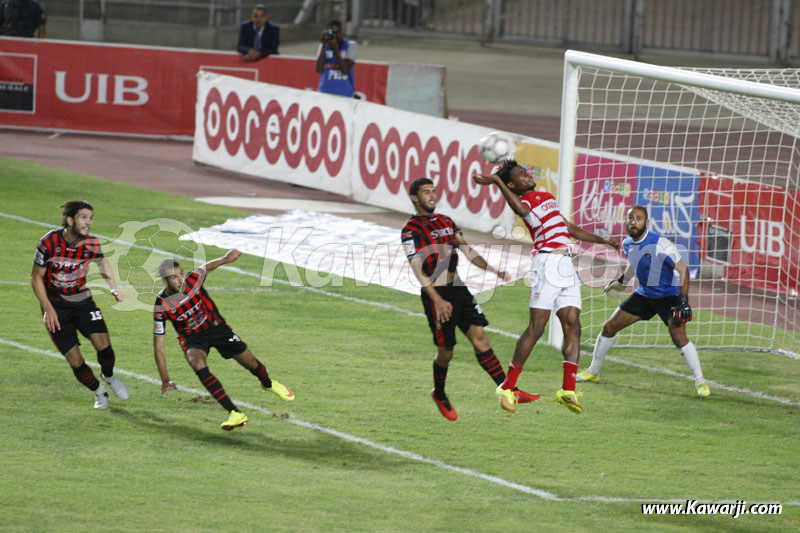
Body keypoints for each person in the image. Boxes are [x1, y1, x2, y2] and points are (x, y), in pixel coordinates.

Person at [473, 160, 620, 415]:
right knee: (537, 327)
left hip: (565, 263)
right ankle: (507, 387)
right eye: (521, 175)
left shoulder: (545, 198)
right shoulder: (525, 202)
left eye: (526, 172)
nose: (528, 175)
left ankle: (567, 390)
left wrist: (603, 241)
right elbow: (518, 209)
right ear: (512, 185)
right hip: (547, 262)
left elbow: (569, 228)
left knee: (573, 323)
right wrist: (497, 182)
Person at [402, 177, 541, 421]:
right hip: (437, 293)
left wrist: (493, 269)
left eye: (434, 191)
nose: (432, 196)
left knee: (480, 338)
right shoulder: (410, 230)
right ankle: (440, 394)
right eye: (426, 192)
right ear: (414, 198)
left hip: (458, 288)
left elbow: (467, 250)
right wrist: (437, 300)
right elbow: (417, 268)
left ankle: (509, 389)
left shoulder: (446, 221)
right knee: (446, 352)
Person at [577, 205, 711, 397]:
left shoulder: (661, 244)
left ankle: (701, 382)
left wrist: (683, 300)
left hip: (668, 296)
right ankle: (593, 371)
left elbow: (683, 269)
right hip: (645, 294)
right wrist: (622, 282)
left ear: (646, 223)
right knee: (609, 327)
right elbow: (636, 262)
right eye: (630, 218)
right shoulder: (627, 243)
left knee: (679, 337)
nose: (634, 222)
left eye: (638, 219)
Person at [153, 250, 295, 431]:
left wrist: (226, 259)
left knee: (251, 363)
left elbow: (208, 267)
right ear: (164, 281)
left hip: (217, 329)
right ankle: (235, 413)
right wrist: (165, 379)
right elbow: (159, 346)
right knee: (196, 362)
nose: (181, 280)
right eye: (174, 277)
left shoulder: (193, 279)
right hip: (193, 339)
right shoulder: (161, 306)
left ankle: (268, 384)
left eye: (181, 274)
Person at [31, 201, 129, 409]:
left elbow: (102, 263)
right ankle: (98, 391)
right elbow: (36, 278)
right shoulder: (48, 243)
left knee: (104, 345)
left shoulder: (91, 244)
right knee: (75, 360)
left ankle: (109, 376)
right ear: (69, 220)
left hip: (82, 302)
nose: (88, 222)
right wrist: (48, 308)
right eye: (83, 217)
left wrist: (113, 287)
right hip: (56, 308)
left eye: (91, 218)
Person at [315, 19, 358, 97]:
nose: (333, 36)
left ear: (341, 31)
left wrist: (334, 48)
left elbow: (345, 70)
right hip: (325, 91)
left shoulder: (351, 45)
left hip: (344, 92)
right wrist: (324, 45)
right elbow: (318, 69)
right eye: (330, 33)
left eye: (335, 33)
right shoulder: (323, 46)